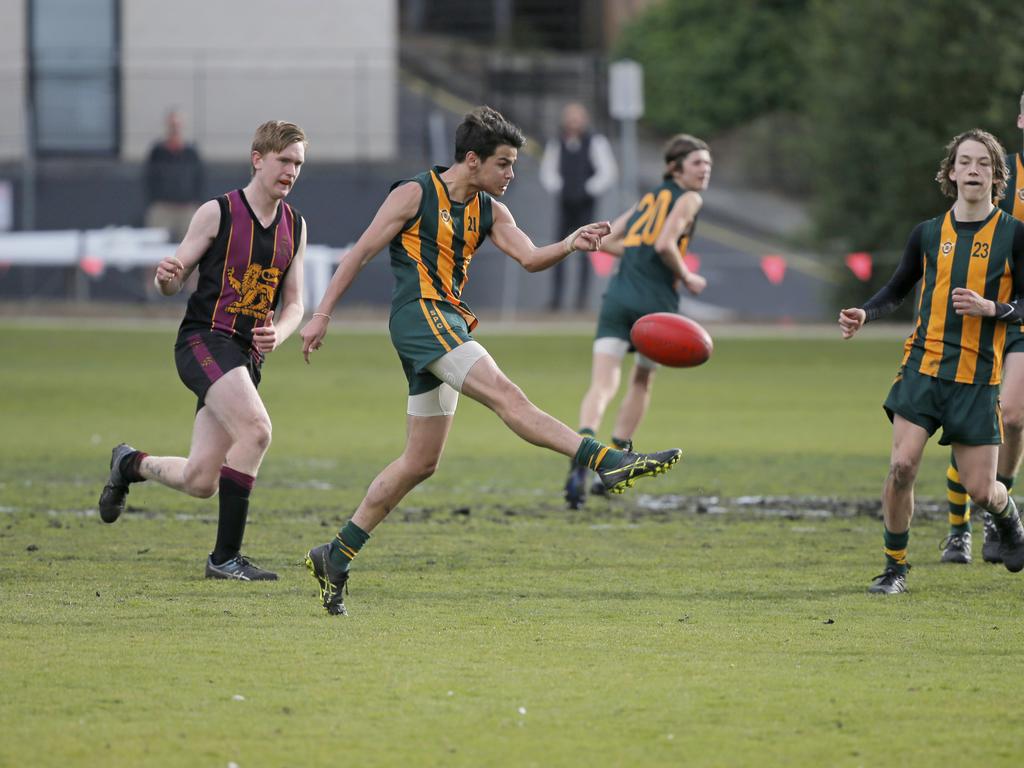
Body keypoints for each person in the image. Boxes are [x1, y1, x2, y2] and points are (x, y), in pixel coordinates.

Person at [299, 106, 681, 616]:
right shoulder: (413, 194)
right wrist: (322, 313)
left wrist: (570, 243)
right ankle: (605, 461)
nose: (511, 174)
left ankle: (336, 554)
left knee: (420, 462)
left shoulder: (491, 211)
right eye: (504, 164)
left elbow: (528, 257)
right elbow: (359, 254)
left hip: (450, 322)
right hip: (419, 317)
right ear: (473, 160)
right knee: (508, 396)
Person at [97, 120, 309, 581]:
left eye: (298, 164)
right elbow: (171, 282)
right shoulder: (219, 212)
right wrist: (165, 278)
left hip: (245, 359)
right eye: (284, 161)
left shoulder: (296, 226)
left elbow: (294, 302)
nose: (291, 171)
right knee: (257, 430)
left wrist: (282, 332)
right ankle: (224, 560)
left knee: (200, 481)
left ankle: (129, 464)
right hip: (205, 341)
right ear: (258, 159)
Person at [838, 128, 1024, 594]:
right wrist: (866, 311)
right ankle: (895, 567)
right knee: (902, 466)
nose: (974, 170)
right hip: (923, 367)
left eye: (984, 163)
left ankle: (1008, 516)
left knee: (983, 491)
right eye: (965, 161)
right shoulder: (926, 233)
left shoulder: (1014, 235)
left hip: (978, 377)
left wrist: (993, 309)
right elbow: (897, 288)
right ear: (951, 172)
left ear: (997, 175)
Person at [563, 134, 710, 510]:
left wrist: (629, 252)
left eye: (708, 164)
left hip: (618, 296)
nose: (705, 169)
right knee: (641, 382)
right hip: (655, 303)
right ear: (675, 168)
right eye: (697, 163)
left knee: (601, 384)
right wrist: (688, 277)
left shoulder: (650, 197)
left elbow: (612, 237)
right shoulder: (689, 198)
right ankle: (619, 454)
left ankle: (583, 453)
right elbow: (664, 243)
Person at [941, 91, 1024, 565]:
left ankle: (997, 509)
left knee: (1011, 417)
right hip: (988, 309)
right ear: (1019, 118)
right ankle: (960, 530)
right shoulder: (1000, 172)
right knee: (977, 418)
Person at [539, 102, 618, 311]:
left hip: (586, 205)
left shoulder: (596, 142)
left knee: (587, 252)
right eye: (570, 118)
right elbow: (548, 171)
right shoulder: (557, 143)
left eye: (577, 118)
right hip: (564, 204)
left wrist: (587, 189)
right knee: (559, 249)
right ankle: (556, 300)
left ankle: (581, 301)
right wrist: (561, 188)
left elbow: (607, 171)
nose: (573, 122)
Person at [144, 109, 206, 242]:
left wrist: (197, 202)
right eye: (172, 125)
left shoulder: (191, 152)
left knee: (191, 247)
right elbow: (149, 178)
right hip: (163, 207)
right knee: (154, 247)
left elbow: (199, 178)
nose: (175, 129)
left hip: (186, 208)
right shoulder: (158, 152)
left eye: (177, 125)